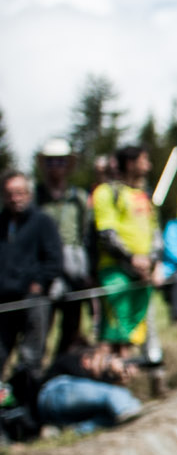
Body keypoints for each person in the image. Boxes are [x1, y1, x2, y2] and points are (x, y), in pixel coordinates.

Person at [33, 139, 98, 358]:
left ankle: (59, 369)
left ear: (68, 165)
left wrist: (87, 270)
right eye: (51, 162)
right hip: (43, 268)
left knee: (71, 326)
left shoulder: (78, 198)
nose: (56, 167)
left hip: (73, 268)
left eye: (60, 162)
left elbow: (86, 234)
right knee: (40, 327)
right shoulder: (35, 197)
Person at [91, 144, 158, 352]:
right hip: (115, 271)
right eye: (144, 160)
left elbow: (154, 230)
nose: (148, 166)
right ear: (130, 164)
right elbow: (107, 233)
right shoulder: (106, 192)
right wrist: (131, 259)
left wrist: (153, 261)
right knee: (113, 332)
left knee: (131, 334)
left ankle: (123, 377)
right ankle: (108, 379)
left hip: (143, 273)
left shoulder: (143, 195)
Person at [0, 171, 61, 382]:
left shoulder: (43, 221)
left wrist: (39, 283)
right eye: (9, 194)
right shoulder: (2, 223)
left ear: (28, 193)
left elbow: (54, 260)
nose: (14, 198)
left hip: (32, 301)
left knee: (30, 360)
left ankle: (28, 408)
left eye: (19, 193)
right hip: (4, 303)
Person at [10, 342, 143, 435]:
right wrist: (108, 367)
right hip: (54, 391)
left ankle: (69, 431)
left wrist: (118, 377)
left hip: (54, 414)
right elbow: (104, 393)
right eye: (104, 359)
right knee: (115, 395)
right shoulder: (72, 360)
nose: (106, 364)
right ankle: (134, 417)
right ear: (86, 360)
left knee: (111, 413)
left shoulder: (95, 382)